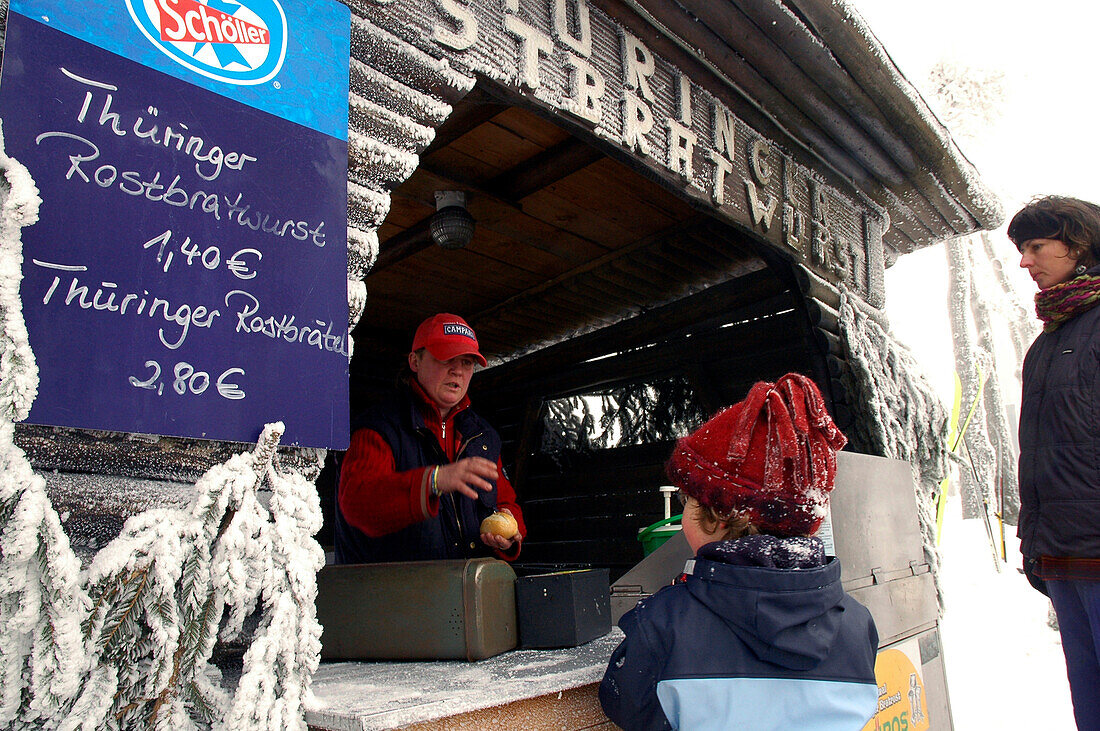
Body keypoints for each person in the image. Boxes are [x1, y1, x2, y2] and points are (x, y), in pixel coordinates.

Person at [599, 373, 878, 730]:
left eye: (687, 499)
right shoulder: (859, 625)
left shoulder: (662, 624)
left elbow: (625, 704)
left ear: (716, 516)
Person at [1009, 195, 1100, 731]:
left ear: (1079, 243)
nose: (1025, 262)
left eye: (1037, 246)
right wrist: (1035, 542)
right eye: (1022, 249)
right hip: (1064, 555)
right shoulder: (1050, 341)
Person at [334, 313, 525, 564]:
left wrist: (509, 533)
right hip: (395, 597)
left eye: (467, 362)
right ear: (415, 361)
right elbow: (357, 506)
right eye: (446, 358)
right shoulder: (379, 428)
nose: (457, 370)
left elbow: (505, 502)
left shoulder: (483, 436)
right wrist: (433, 481)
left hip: (468, 592)